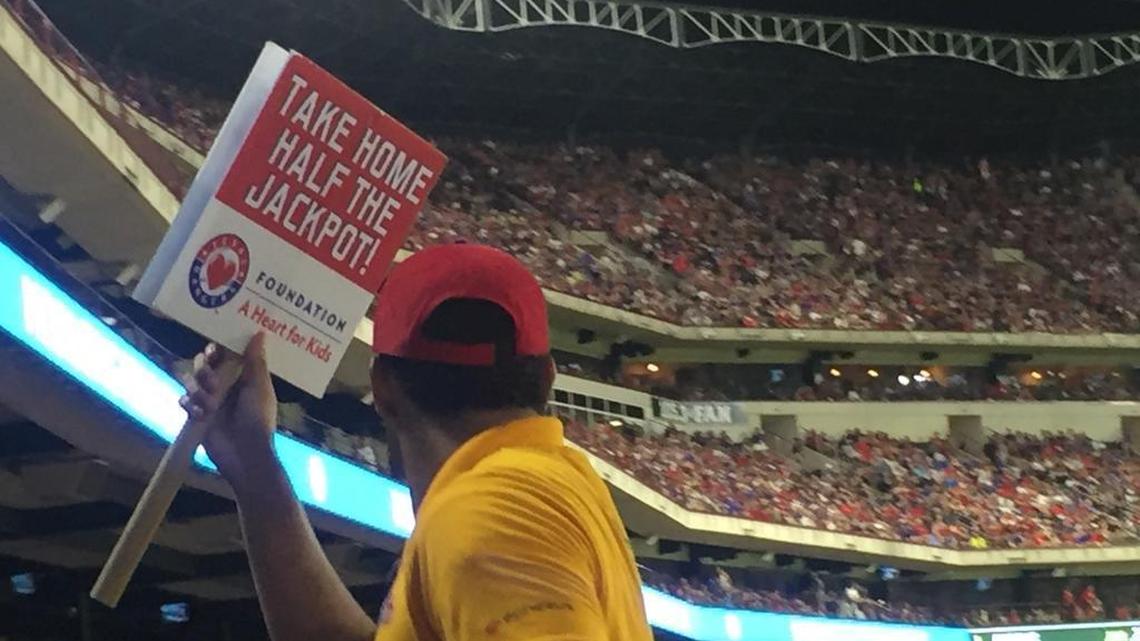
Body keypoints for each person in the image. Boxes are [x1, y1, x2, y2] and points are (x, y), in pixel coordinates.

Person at [180, 244, 653, 641]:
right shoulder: (551, 484)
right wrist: (254, 468)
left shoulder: (493, 513)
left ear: (382, 387)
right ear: (547, 379)